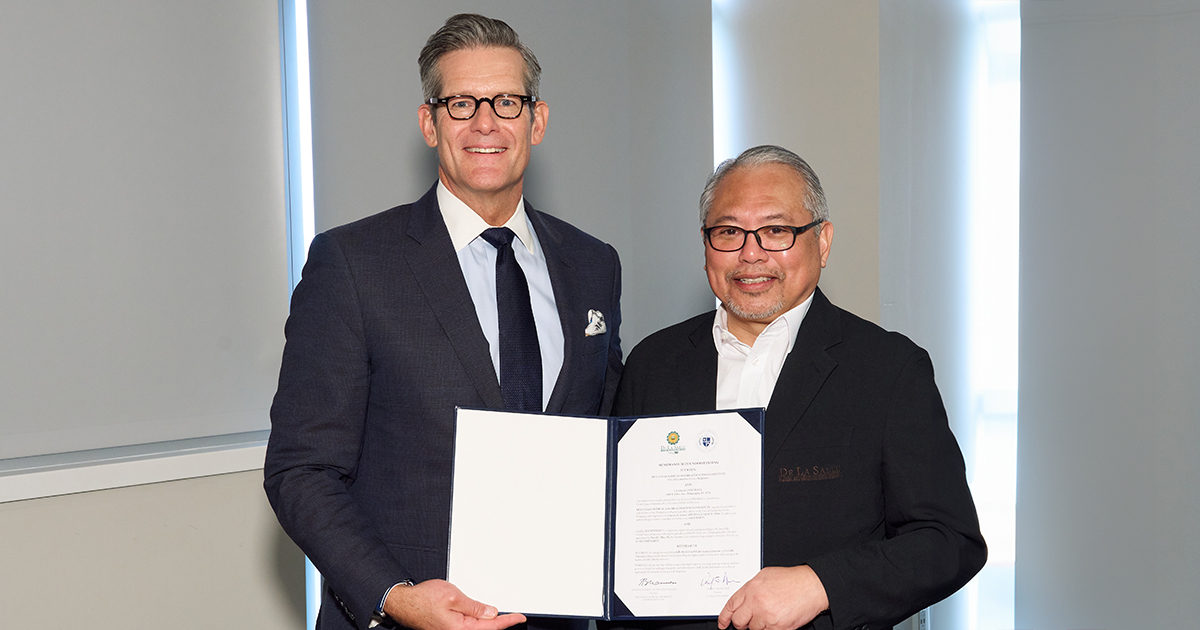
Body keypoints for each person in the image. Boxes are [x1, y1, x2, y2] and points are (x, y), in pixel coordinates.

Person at [264, 14, 622, 630]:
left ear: (536, 120)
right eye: (461, 103)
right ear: (430, 123)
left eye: (506, 102)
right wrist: (395, 596)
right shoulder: (352, 264)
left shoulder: (593, 264)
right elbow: (301, 469)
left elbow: (608, 434)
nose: (486, 123)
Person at [604, 146, 985, 630]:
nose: (750, 252)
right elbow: (617, 529)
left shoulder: (887, 369)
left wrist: (819, 584)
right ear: (705, 246)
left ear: (822, 242)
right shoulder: (653, 363)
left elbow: (948, 540)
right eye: (727, 232)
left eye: (776, 231)